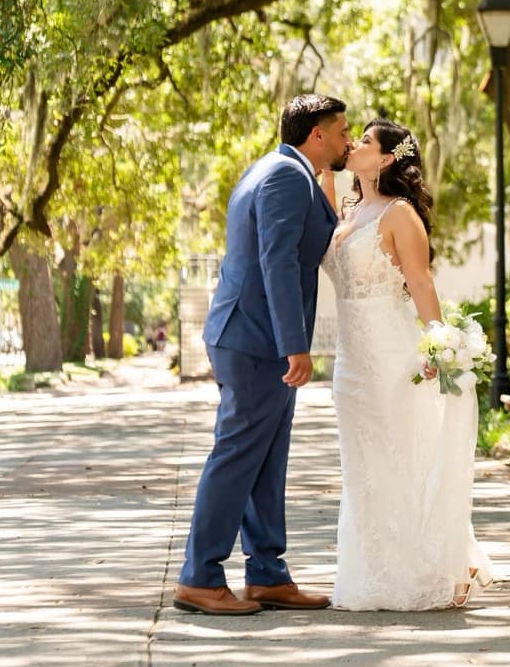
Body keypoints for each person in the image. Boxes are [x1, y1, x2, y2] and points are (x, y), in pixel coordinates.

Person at [173, 93, 349, 616]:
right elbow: (275, 262)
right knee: (236, 457)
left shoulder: (279, 170)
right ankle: (200, 576)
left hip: (250, 335)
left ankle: (267, 573)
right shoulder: (286, 177)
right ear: (316, 134)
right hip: (256, 341)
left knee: (266, 459)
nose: (346, 140)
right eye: (341, 131)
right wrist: (295, 344)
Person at [320, 117, 493, 609]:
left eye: (366, 141)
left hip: (392, 352)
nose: (353, 143)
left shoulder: (399, 214)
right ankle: (373, 572)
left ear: (388, 159)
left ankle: (431, 568)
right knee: (363, 466)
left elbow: (420, 282)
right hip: (351, 358)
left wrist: (437, 343)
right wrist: (327, 181)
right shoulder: (350, 210)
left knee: (403, 456)